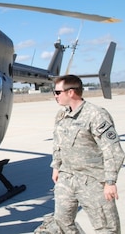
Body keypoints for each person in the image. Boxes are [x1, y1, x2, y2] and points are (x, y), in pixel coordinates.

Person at [50, 74, 124, 233]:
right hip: (67, 178)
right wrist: (56, 166)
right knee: (62, 221)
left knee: (106, 227)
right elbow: (58, 143)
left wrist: (110, 182)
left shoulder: (96, 115)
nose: (55, 96)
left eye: (57, 92)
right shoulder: (62, 115)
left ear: (71, 92)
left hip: (92, 181)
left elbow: (113, 150)